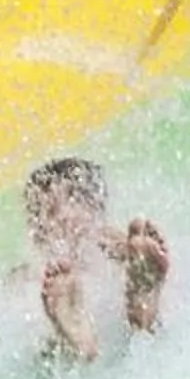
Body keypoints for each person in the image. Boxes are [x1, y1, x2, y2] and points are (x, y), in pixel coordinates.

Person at [22, 156, 169, 367]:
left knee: (42, 347)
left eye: (53, 211)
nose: (47, 223)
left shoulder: (120, 247)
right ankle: (142, 310)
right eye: (39, 214)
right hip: (112, 320)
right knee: (148, 329)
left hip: (87, 309)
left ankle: (80, 340)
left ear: (96, 210)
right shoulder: (122, 248)